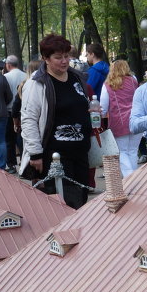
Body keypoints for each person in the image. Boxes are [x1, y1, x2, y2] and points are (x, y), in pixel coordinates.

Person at [19, 33, 94, 209]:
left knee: (81, 202)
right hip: (55, 156)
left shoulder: (76, 78)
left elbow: (80, 105)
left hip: (81, 153)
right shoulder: (37, 83)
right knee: (63, 205)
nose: (64, 61)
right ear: (45, 58)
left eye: (66, 56)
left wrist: (91, 110)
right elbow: (28, 119)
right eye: (58, 57)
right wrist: (35, 154)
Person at [100, 59, 143, 177]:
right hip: (136, 119)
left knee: (122, 152)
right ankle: (134, 177)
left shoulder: (108, 85)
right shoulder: (133, 80)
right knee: (133, 151)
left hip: (118, 122)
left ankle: (130, 179)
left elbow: (103, 108)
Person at [3, 55, 26, 170]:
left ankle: (11, 164)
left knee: (9, 139)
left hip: (9, 111)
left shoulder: (5, 77)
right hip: (23, 112)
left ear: (8, 65)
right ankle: (23, 162)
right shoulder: (25, 76)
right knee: (22, 139)